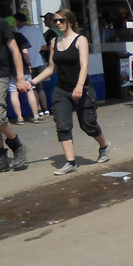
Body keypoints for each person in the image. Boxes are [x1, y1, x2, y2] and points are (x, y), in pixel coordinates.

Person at [30, 10, 111, 175]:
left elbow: (84, 66)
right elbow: (52, 68)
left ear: (71, 21)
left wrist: (80, 85)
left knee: (88, 125)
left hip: (82, 88)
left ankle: (104, 146)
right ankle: (70, 162)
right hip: (61, 90)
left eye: (61, 20)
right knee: (62, 126)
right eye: (55, 21)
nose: (57, 23)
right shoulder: (54, 42)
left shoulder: (80, 40)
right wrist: (32, 82)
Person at [0, 15, 30, 171]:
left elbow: (15, 50)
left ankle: (17, 145)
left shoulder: (1, 23)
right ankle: (1, 157)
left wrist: (20, 77)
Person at [13, 12, 49, 117]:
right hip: (39, 60)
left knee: (32, 87)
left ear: (17, 21)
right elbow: (43, 46)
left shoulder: (20, 33)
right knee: (40, 87)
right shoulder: (37, 30)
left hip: (28, 63)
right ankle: (45, 109)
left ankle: (38, 110)